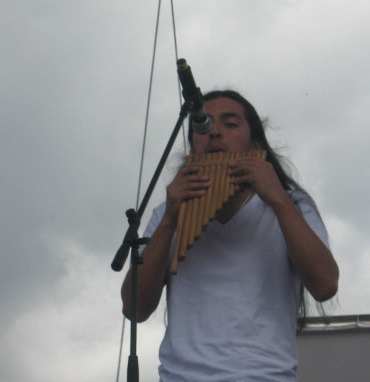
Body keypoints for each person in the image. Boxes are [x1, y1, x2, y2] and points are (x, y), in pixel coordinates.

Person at [121, 90, 339, 381]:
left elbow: (325, 285)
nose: (214, 133)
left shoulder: (293, 206)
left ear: (256, 146)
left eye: (230, 124)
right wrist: (170, 220)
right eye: (203, 125)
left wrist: (278, 199)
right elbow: (134, 308)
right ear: (192, 150)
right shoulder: (167, 214)